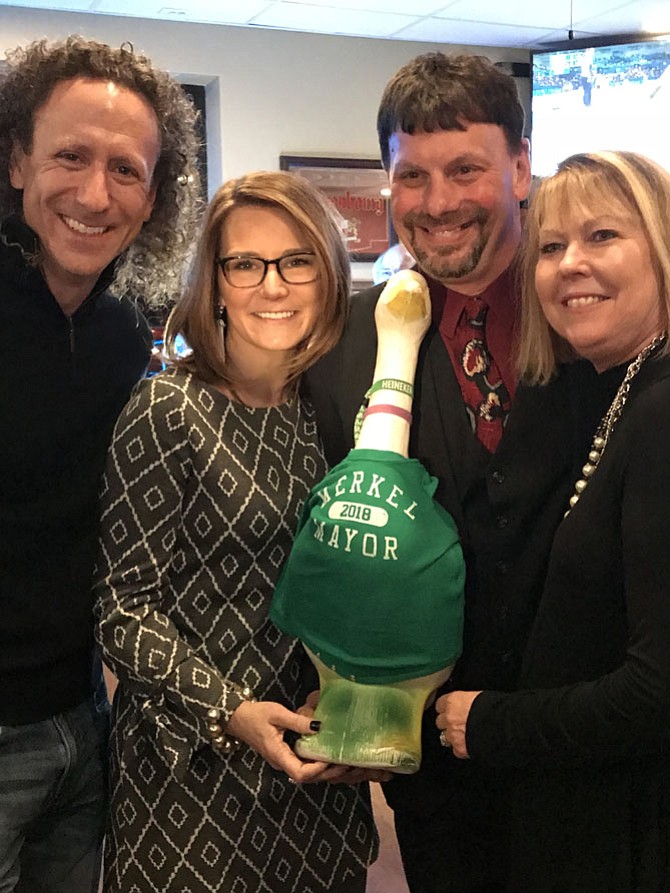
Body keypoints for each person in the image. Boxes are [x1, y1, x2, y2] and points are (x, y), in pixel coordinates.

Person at [94, 170, 379, 893]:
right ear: (214, 283)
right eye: (244, 264)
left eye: (295, 261)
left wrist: (355, 707)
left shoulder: (334, 409)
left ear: (327, 273)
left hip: (316, 759)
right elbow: (122, 612)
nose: (272, 286)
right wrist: (228, 709)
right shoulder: (167, 410)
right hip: (193, 774)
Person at [306, 52, 537, 891]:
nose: (438, 203)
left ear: (519, 166)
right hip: (434, 771)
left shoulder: (589, 307)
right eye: (413, 176)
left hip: (589, 746)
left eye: (467, 169)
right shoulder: (344, 342)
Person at [438, 150, 670, 893]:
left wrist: (492, 725)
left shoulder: (663, 412)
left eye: (603, 236)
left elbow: (656, 687)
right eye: (550, 245)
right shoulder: (612, 390)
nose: (571, 264)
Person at [0, 35, 200, 893]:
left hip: (86, 719)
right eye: (69, 157)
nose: (94, 194)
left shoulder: (128, 335)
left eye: (126, 169)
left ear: (153, 196)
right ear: (15, 160)